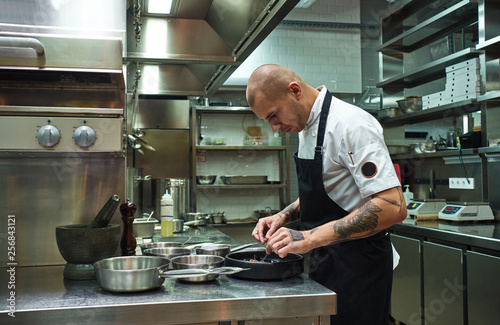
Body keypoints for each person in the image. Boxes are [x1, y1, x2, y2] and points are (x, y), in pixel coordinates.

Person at [246, 64, 406, 325]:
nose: (274, 127)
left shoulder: (351, 125)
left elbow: (392, 205)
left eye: (274, 115)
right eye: (268, 120)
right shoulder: (305, 125)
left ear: (295, 91)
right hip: (327, 259)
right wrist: (283, 216)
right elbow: (328, 189)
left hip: (361, 267)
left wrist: (309, 237)